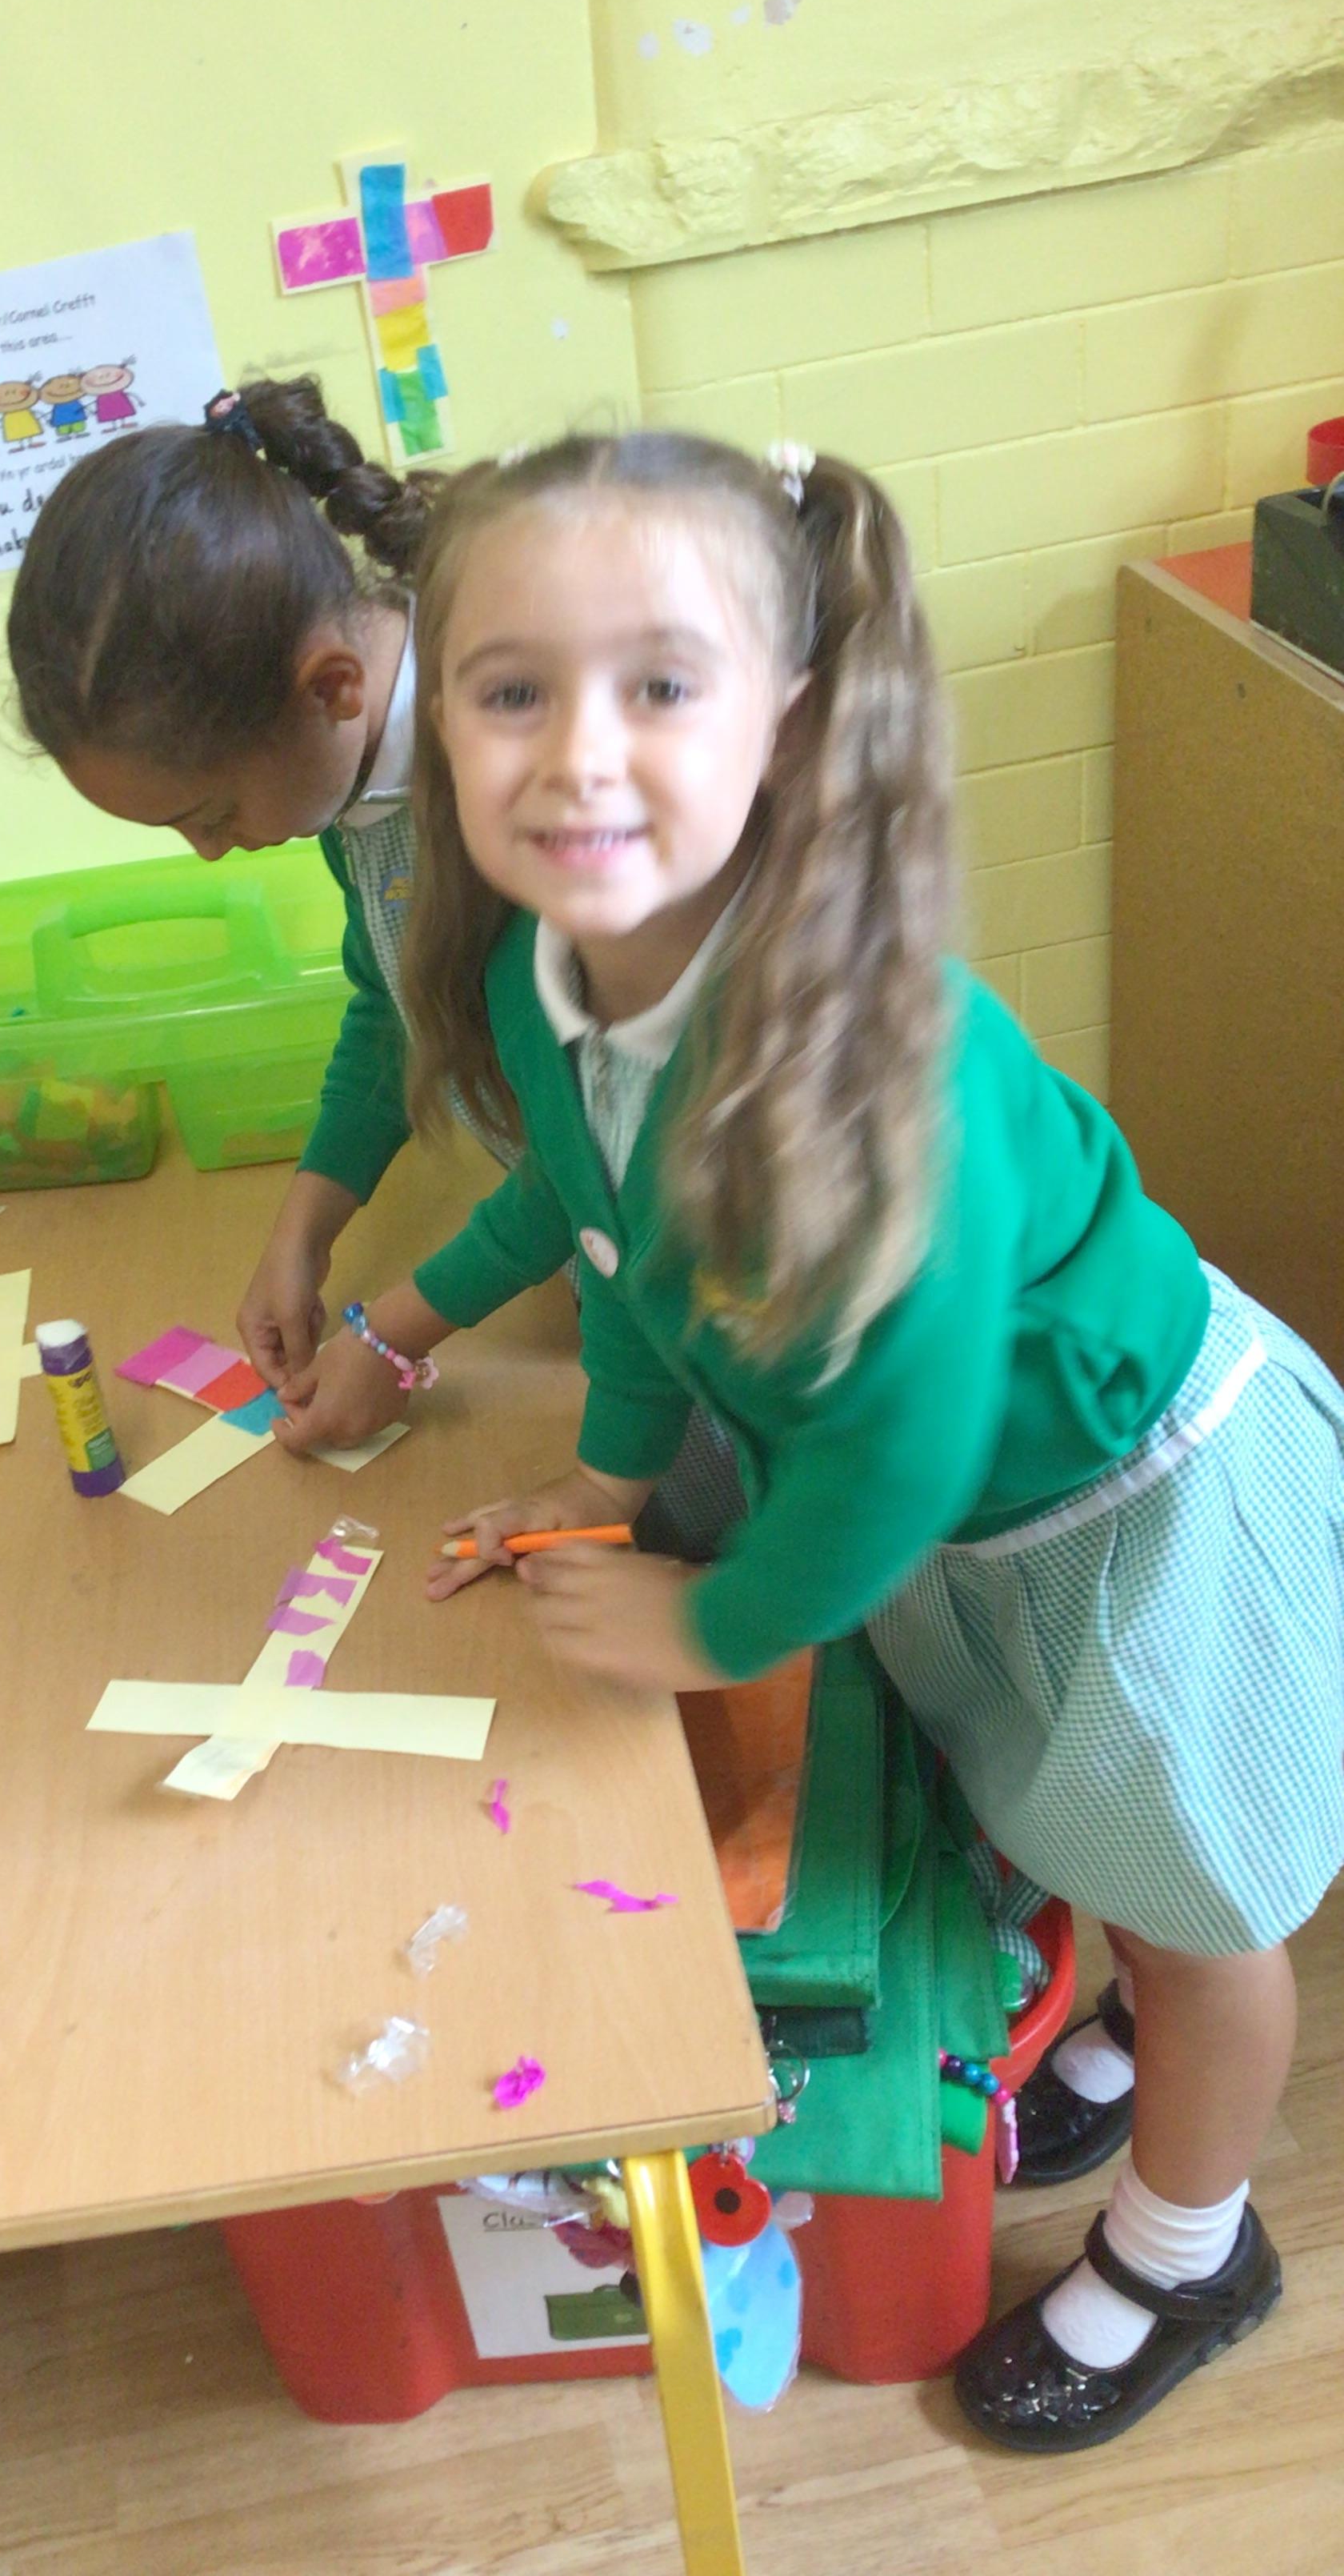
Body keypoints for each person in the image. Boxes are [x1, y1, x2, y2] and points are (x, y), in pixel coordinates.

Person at [342, 426, 1340, 2450]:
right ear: (436, 719)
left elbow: (894, 1454)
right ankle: (1134, 2016)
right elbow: (610, 1241)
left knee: (1206, 1920)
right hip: (973, 1527)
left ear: (789, 722)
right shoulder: (549, 973)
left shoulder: (872, 1061)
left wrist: (705, 1625)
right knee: (1073, 1832)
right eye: (511, 689)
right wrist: (609, 1481)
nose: (576, 755)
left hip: (1121, 1496)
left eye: (659, 684)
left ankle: (1191, 2243)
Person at [6, 377, 748, 1552]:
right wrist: (307, 1225)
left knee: (733, 1552)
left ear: (331, 690)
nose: (210, 853)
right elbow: (398, 996)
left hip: (710, 1274)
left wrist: (397, 1333)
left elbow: (591, 1159)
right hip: (606, 1255)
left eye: (211, 813)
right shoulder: (349, 775)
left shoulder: (529, 811)